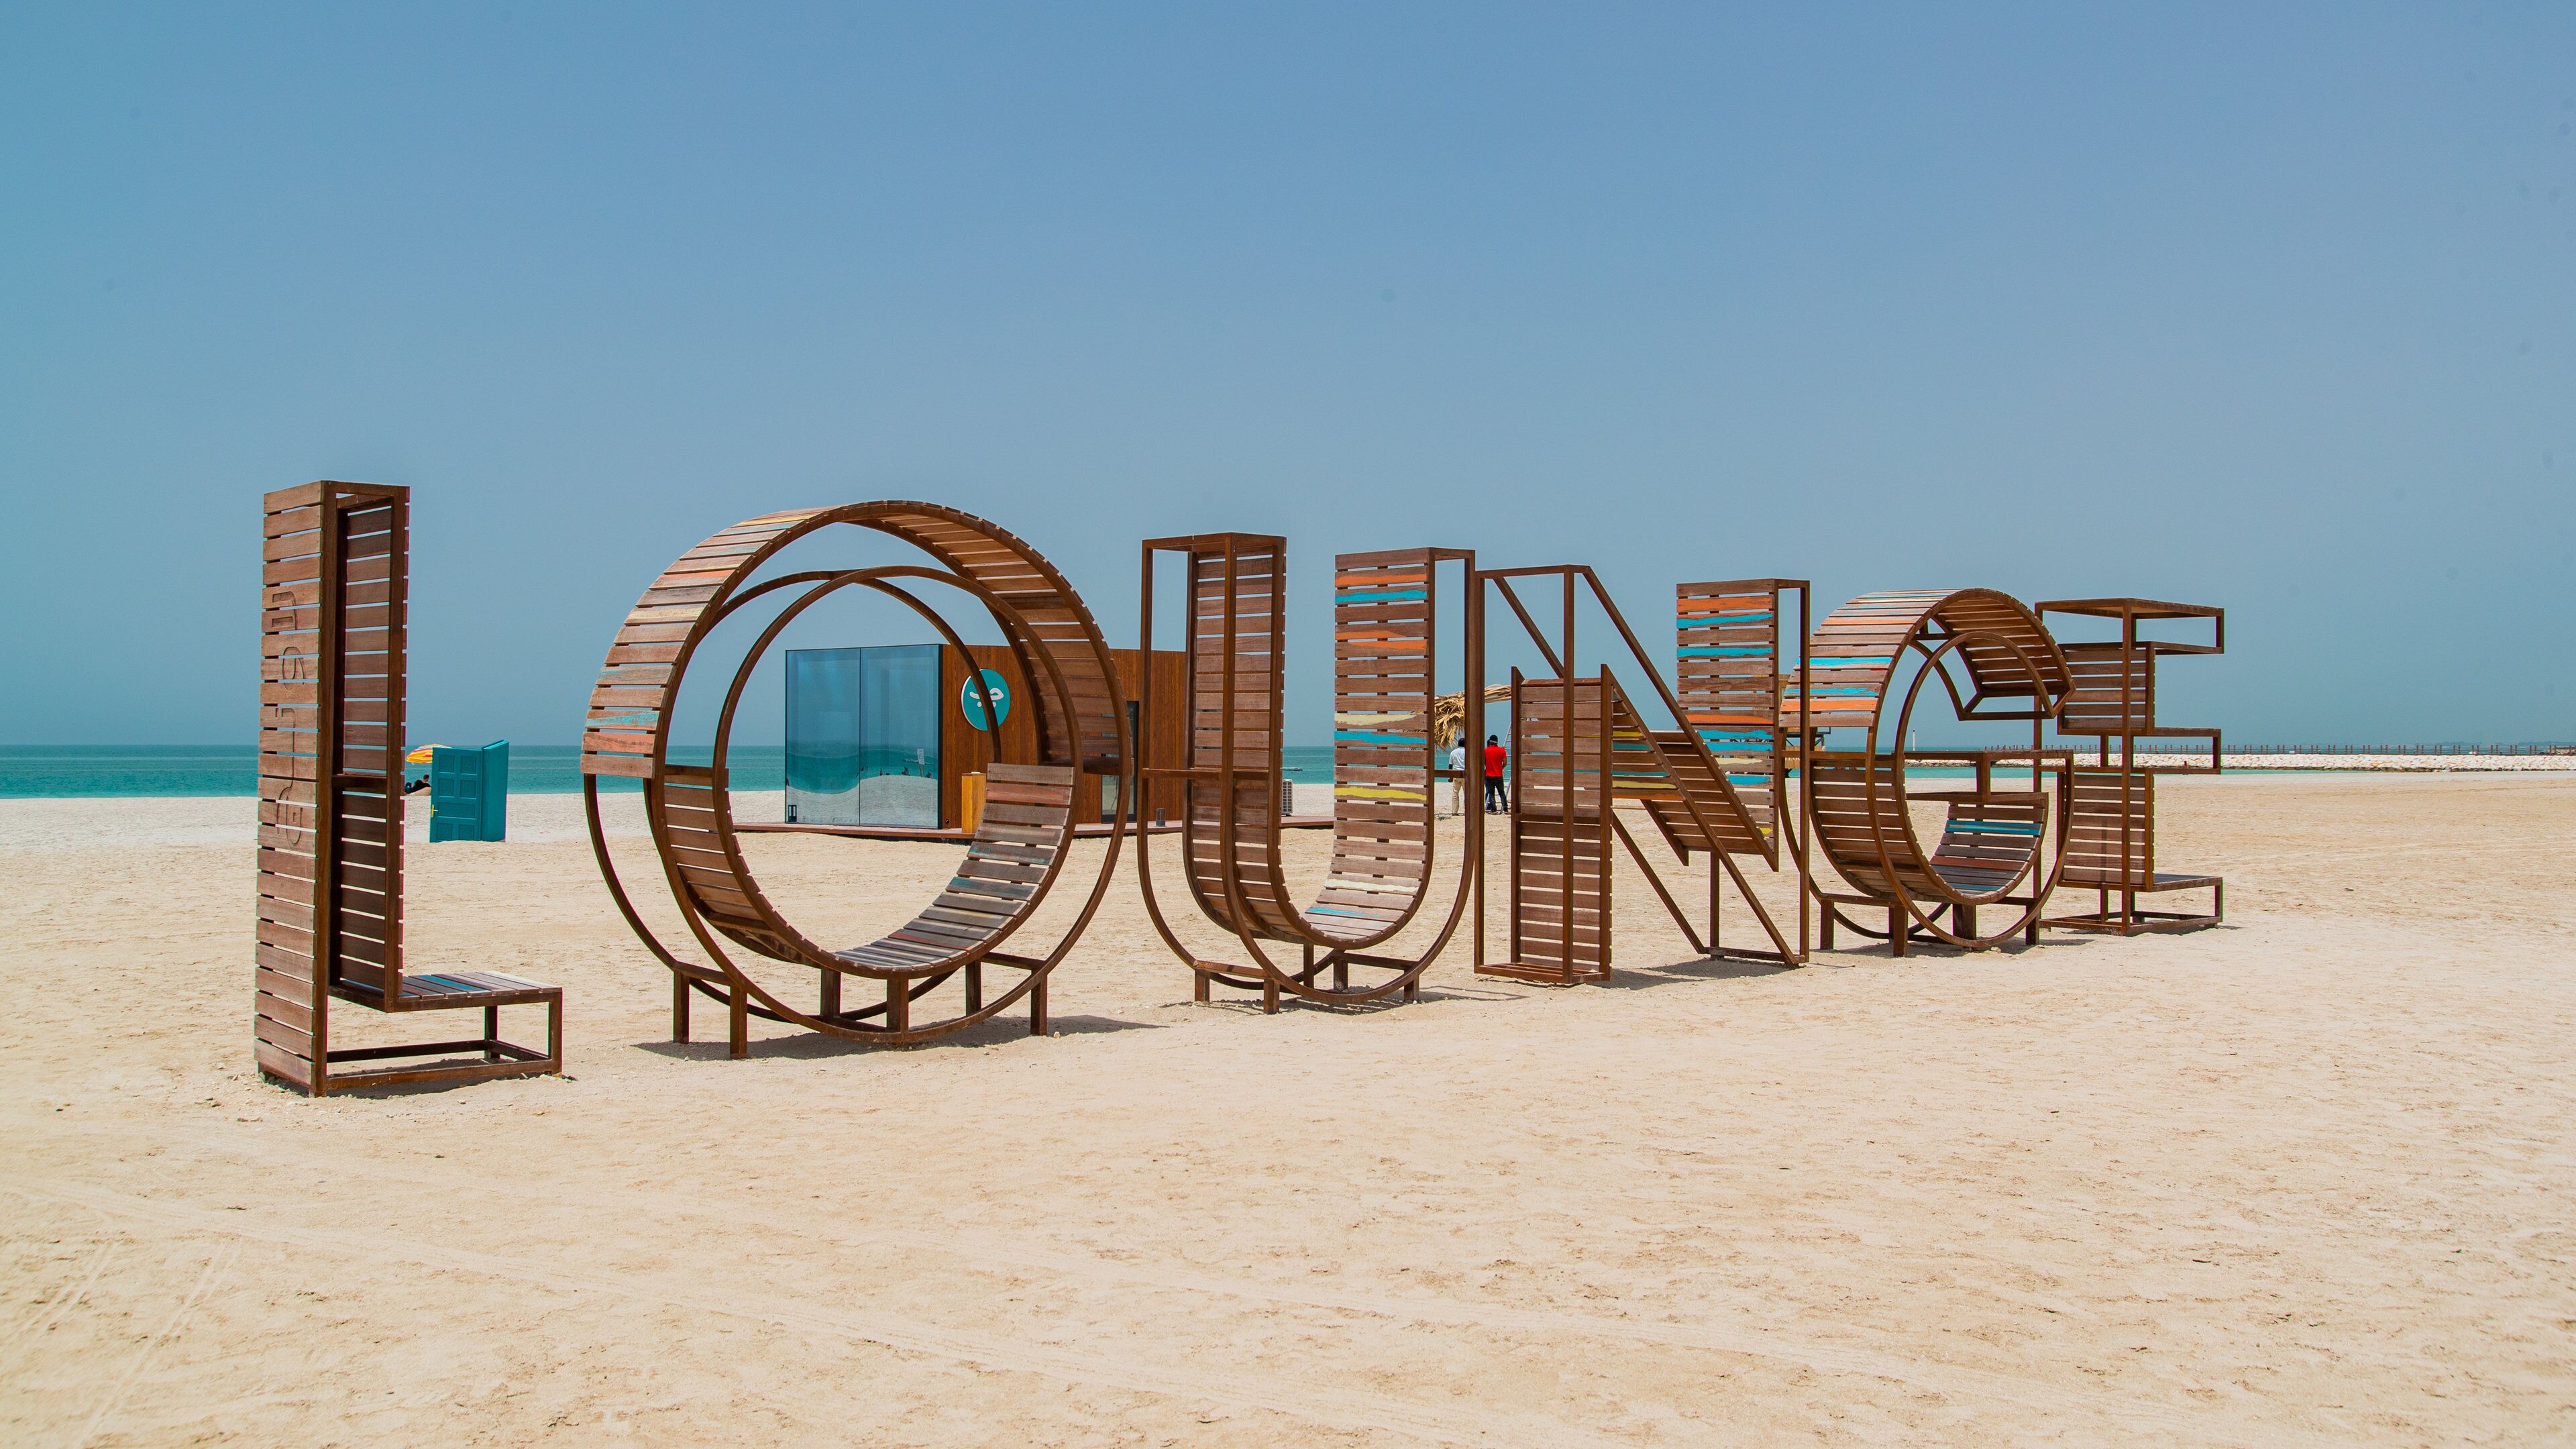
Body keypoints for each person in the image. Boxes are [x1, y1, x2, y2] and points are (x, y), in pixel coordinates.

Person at [1483, 734, 1508, 814]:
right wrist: (1501, 768)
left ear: (1490, 741)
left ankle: (1494, 809)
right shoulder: (1502, 750)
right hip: (1499, 775)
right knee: (1502, 792)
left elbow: (1483, 762)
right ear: (1497, 741)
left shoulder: (1486, 750)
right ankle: (1505, 809)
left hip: (1489, 775)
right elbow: (1505, 762)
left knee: (1491, 793)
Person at [1445, 735, 1467, 815]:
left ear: (1458, 744)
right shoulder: (1468, 752)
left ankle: (1454, 812)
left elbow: (1450, 765)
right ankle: (1467, 811)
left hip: (1456, 774)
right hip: (1465, 774)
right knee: (1467, 794)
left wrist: (1450, 777)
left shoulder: (1453, 752)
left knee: (1455, 793)